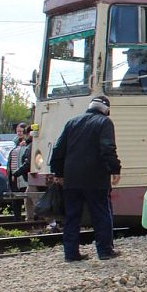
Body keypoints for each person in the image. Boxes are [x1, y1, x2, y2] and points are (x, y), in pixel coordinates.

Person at [49, 96, 122, 262]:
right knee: (101, 213)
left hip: (72, 178)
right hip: (96, 177)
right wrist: (115, 168)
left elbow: (58, 149)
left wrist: (58, 173)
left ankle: (71, 253)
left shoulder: (72, 122)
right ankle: (105, 251)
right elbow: (107, 148)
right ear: (106, 110)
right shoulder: (104, 122)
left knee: (72, 216)